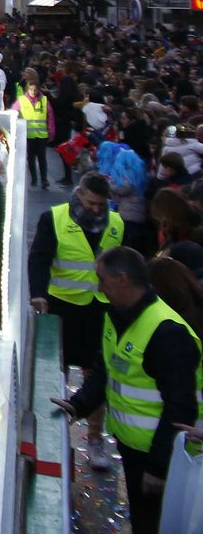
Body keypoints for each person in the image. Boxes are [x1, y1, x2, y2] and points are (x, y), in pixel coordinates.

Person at [52, 247, 201, 534]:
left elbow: (180, 406)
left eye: (102, 279)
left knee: (157, 524)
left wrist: (157, 467)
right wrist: (78, 405)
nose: (98, 287)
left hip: (162, 457)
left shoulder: (166, 331)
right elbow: (107, 368)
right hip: (132, 448)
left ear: (121, 279)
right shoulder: (116, 315)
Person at [28, 173, 123, 470]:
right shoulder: (53, 219)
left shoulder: (117, 223)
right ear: (79, 194)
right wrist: (39, 294)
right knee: (56, 375)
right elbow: (39, 259)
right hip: (63, 307)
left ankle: (95, 438)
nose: (97, 210)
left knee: (97, 373)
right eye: (92, 203)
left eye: (101, 205)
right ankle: (56, 437)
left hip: (101, 310)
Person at [15, 68, 53, 189]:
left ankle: (44, 180)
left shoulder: (44, 100)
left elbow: (50, 116)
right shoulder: (22, 100)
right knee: (30, 158)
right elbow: (13, 112)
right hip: (28, 135)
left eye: (35, 89)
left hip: (41, 135)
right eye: (31, 89)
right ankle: (34, 179)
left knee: (42, 158)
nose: (33, 91)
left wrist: (51, 131)